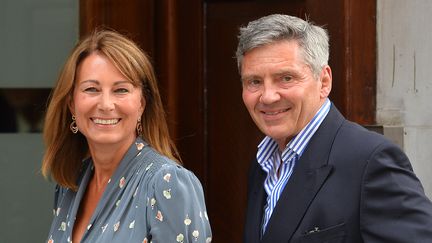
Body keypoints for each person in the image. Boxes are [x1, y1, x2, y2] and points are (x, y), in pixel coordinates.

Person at [237, 14, 432, 242]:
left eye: (286, 78)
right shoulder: (264, 163)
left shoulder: (370, 161)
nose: (268, 97)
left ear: (324, 81)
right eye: (254, 82)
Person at [42, 30, 212, 243]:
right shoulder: (70, 185)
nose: (105, 105)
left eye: (121, 90)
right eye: (92, 89)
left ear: (141, 104)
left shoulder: (167, 183)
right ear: (71, 104)